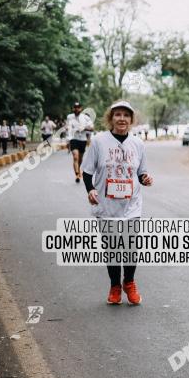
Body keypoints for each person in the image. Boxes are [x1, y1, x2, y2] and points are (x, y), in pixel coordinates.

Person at [81, 101, 153, 305]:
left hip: (131, 206)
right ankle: (115, 286)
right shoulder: (98, 141)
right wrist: (91, 189)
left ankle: (129, 283)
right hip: (106, 206)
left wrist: (145, 179)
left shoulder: (138, 144)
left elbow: (141, 173)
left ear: (131, 120)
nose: (122, 118)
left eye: (126, 115)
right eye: (118, 115)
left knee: (130, 247)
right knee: (112, 248)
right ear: (111, 118)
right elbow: (87, 171)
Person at [66, 102, 93, 183]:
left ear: (81, 108)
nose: (76, 109)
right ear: (73, 108)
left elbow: (92, 128)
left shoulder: (86, 118)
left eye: (78, 107)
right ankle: (77, 174)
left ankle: (79, 170)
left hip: (83, 140)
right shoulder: (69, 117)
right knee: (75, 157)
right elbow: (68, 127)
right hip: (73, 139)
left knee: (80, 159)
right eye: (75, 107)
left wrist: (84, 128)